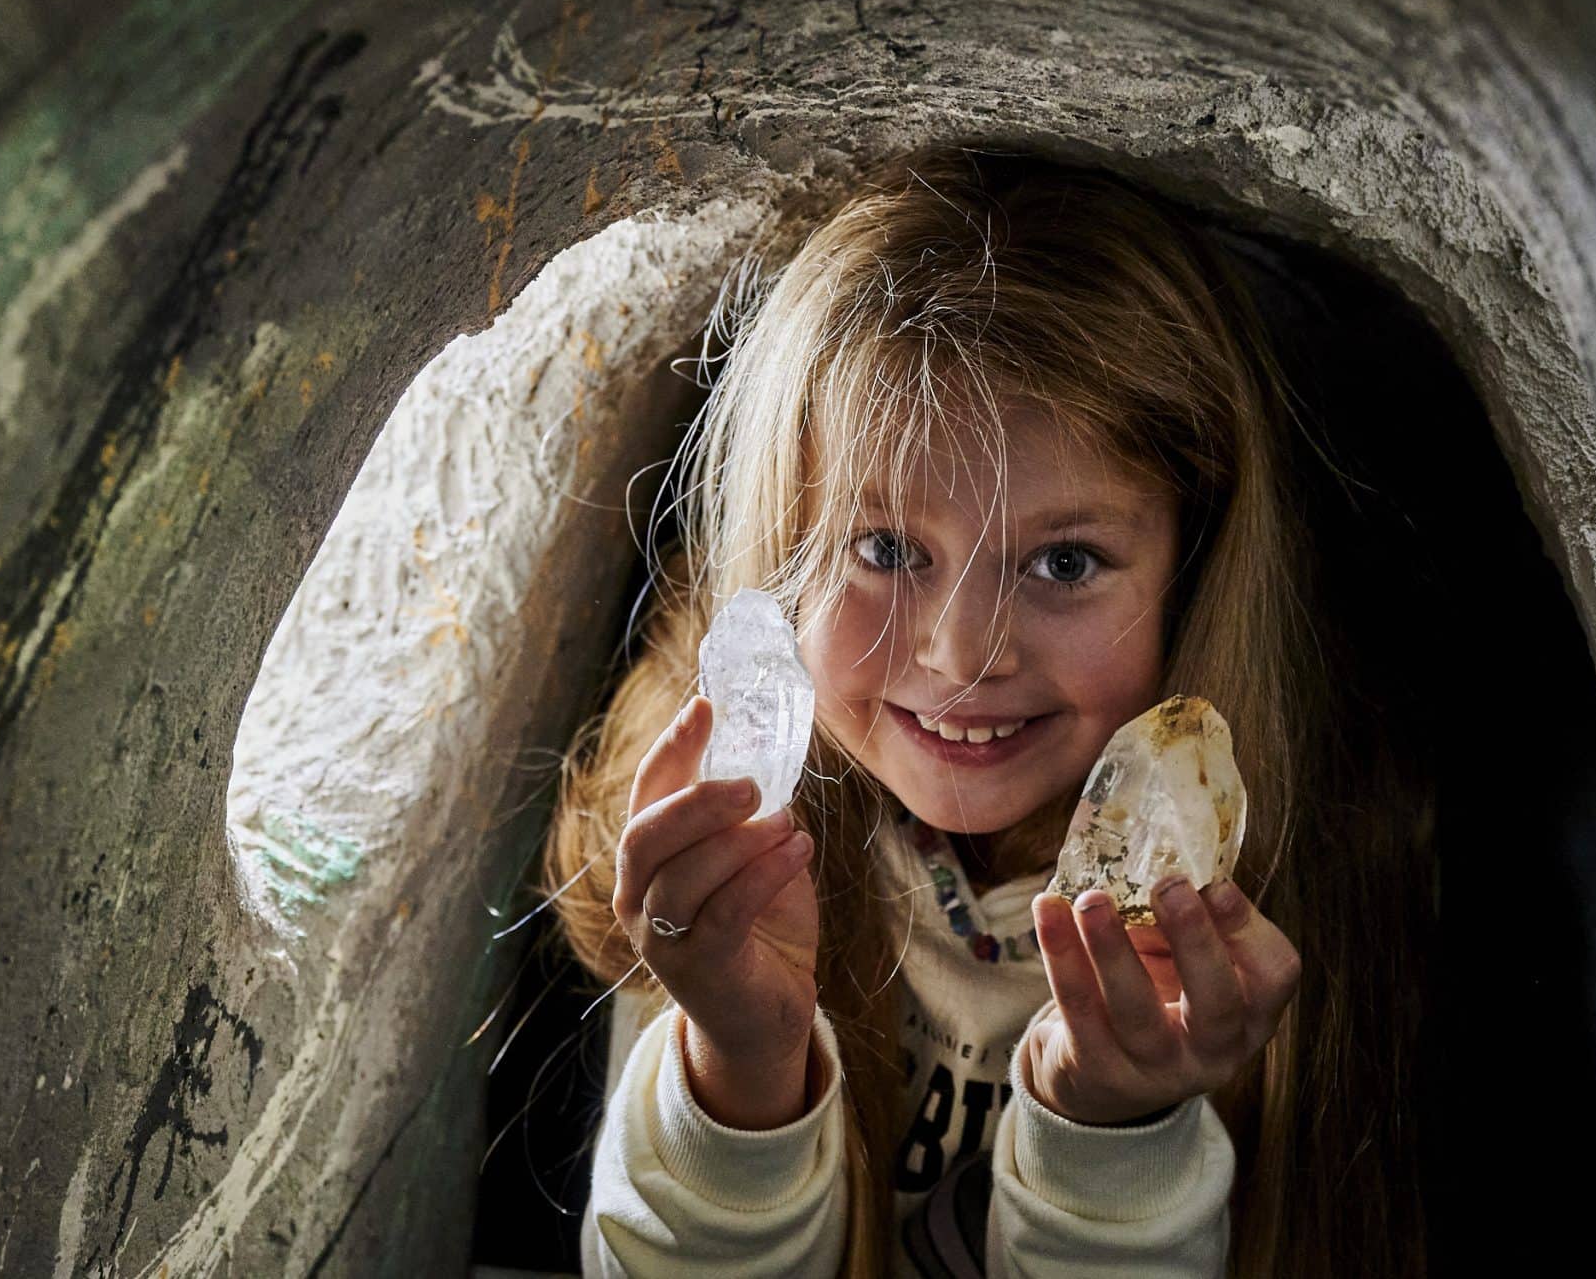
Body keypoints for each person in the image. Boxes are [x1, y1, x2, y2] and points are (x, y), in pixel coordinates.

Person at [539, 146, 1431, 1277]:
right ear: (784, 549)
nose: (961, 657)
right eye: (885, 547)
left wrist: (1109, 1126)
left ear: (1195, 568)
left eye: (1064, 561)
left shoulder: (1295, 877)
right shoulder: (711, 851)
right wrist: (741, 1063)